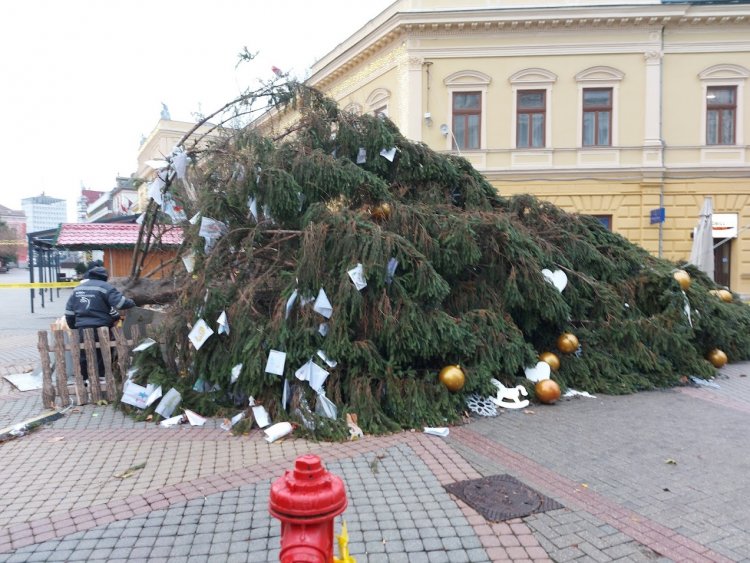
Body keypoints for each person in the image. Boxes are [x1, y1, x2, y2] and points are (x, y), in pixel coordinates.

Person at [65, 266, 136, 381]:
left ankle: (84, 380)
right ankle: (102, 379)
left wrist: (74, 327)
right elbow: (120, 303)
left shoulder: (77, 289)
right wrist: (132, 303)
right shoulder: (105, 287)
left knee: (85, 354)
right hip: (101, 328)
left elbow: (69, 313)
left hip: (82, 329)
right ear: (105, 277)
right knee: (103, 354)